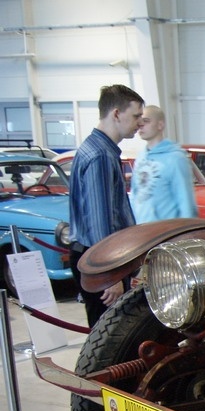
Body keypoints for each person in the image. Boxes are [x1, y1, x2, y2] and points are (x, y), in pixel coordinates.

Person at [68, 83, 144, 327]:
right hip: (99, 262)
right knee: (106, 342)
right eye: (136, 116)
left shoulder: (98, 149)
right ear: (116, 114)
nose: (139, 123)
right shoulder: (100, 155)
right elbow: (100, 221)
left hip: (94, 258)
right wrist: (109, 276)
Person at [129, 105, 198, 223]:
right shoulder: (141, 157)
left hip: (166, 233)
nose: (141, 125)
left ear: (160, 125)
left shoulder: (176, 158)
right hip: (141, 232)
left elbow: (185, 201)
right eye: (139, 121)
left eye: (146, 121)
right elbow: (134, 195)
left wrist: (187, 233)